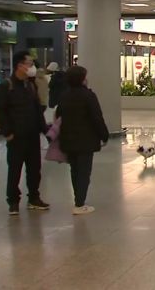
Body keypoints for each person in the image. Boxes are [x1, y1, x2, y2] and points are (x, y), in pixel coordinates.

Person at [0, 51, 50, 215]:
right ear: (20, 65)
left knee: (34, 169)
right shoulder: (6, 86)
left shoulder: (30, 86)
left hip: (32, 135)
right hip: (16, 137)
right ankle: (13, 201)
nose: (32, 67)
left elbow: (37, 110)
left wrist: (45, 130)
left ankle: (34, 197)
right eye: (30, 64)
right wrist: (8, 133)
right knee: (15, 170)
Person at [55, 66, 109, 215]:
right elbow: (97, 118)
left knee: (75, 170)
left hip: (68, 139)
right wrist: (104, 135)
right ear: (81, 79)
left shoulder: (64, 95)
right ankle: (80, 203)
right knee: (84, 172)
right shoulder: (88, 96)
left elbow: (59, 115)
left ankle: (77, 199)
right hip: (86, 140)